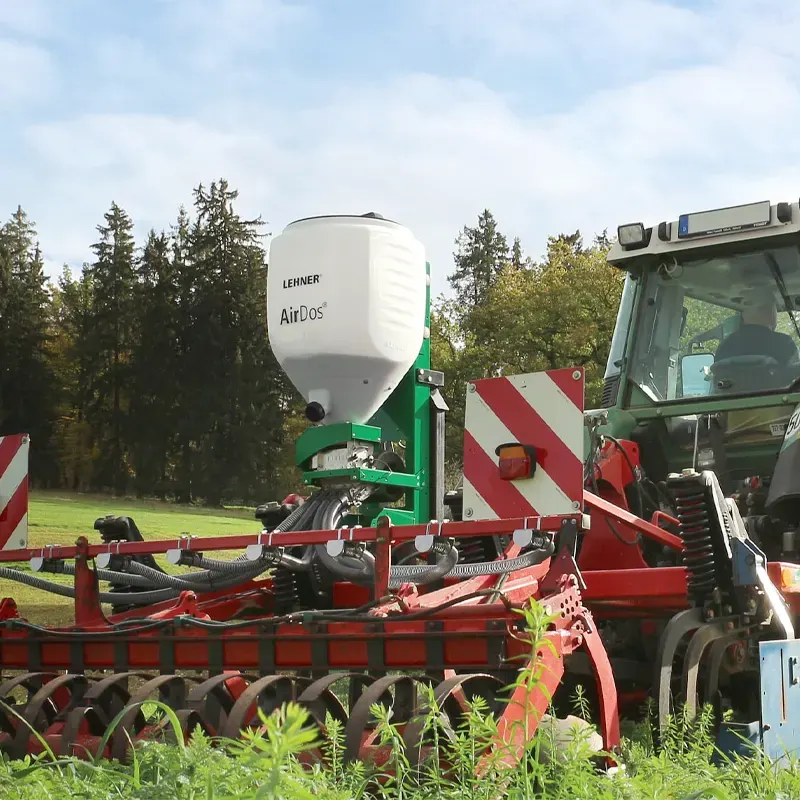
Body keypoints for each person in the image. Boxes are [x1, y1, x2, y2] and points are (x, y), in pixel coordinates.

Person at [714, 288, 799, 366]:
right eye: (775, 308)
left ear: (743, 314)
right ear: (771, 312)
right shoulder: (784, 343)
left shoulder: (724, 347)